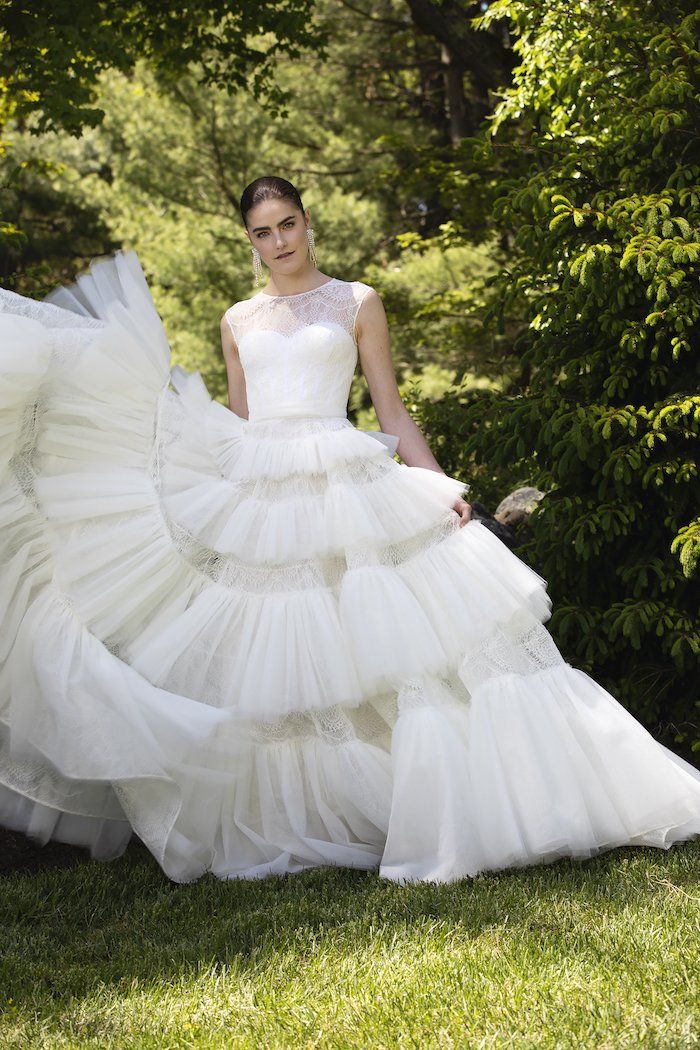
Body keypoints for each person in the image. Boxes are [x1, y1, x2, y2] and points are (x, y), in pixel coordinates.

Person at [0, 174, 699, 885]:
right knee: (289, 665)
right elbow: (241, 423)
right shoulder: (237, 318)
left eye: (288, 224)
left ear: (309, 223)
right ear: (250, 240)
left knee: (410, 656)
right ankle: (311, 815)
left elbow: (389, 411)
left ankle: (474, 801)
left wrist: (444, 488)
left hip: (348, 479)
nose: (279, 242)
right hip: (264, 490)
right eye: (262, 232)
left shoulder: (357, 300)